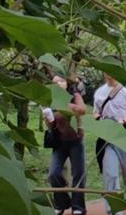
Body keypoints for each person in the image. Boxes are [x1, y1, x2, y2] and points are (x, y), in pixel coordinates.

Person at [93, 73, 126, 215]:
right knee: (110, 174)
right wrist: (100, 120)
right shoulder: (99, 92)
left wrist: (123, 120)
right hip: (108, 138)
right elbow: (95, 113)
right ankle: (113, 211)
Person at [44, 75, 87, 215]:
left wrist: (64, 105)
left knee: (78, 174)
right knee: (54, 173)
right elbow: (51, 126)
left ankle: (78, 207)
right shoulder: (51, 100)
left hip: (76, 140)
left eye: (61, 81)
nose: (58, 84)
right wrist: (48, 118)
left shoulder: (74, 96)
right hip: (59, 142)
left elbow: (82, 110)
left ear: (66, 83)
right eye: (55, 82)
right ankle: (62, 202)